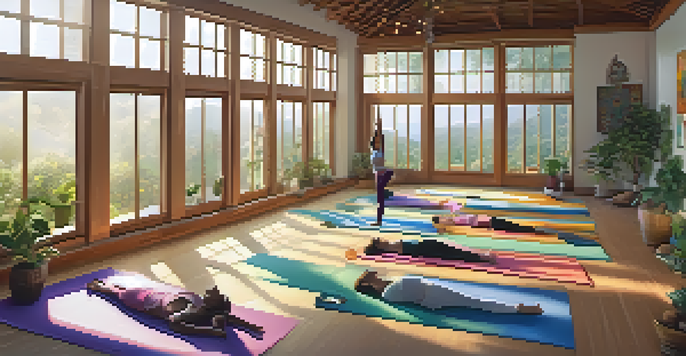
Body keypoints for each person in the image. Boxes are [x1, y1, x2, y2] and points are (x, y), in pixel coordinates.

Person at [86, 274, 264, 339]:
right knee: (127, 289)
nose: (212, 291)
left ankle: (101, 287)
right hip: (159, 295)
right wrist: (250, 327)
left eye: (214, 295)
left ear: (212, 306)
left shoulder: (191, 313)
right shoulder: (206, 309)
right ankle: (105, 286)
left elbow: (175, 325)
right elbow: (228, 316)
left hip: (145, 300)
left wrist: (212, 333)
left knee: (122, 292)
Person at [353, 270, 544, 314]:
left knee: (474, 301)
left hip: (432, 293)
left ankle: (518, 308)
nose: (376, 275)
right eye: (372, 276)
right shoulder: (389, 292)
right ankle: (519, 309)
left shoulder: (389, 287)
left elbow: (416, 281)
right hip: (433, 296)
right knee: (476, 302)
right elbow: (415, 284)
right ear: (370, 284)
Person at [346, 237, 494, 264]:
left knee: (454, 252)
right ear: (379, 246)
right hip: (423, 248)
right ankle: (483, 257)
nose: (383, 239)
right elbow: (411, 248)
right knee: (455, 254)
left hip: (423, 246)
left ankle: (482, 256)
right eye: (379, 240)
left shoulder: (391, 246)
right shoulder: (392, 247)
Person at [370, 118, 393, 226]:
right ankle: (379, 220)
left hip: (384, 174)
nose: (378, 143)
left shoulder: (380, 151)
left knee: (381, 197)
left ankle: (379, 220)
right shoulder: (374, 152)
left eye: (379, 142)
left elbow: (380, 137)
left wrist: (379, 126)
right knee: (380, 198)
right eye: (376, 142)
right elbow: (376, 138)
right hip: (378, 175)